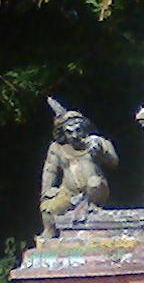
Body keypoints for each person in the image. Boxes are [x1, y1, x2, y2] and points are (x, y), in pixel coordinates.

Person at [40, 99, 118, 238]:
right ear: (63, 133)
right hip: (68, 193)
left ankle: (88, 205)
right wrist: (46, 191)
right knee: (47, 209)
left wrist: (100, 152)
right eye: (69, 132)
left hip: (94, 190)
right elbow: (50, 171)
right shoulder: (57, 148)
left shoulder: (96, 142)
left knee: (95, 183)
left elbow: (113, 162)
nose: (75, 136)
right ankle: (49, 234)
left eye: (78, 130)